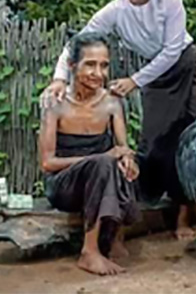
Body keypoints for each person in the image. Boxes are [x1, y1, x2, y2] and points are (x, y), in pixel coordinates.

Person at [40, 0, 196, 239]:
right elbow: (78, 41)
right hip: (154, 76)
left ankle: (186, 217)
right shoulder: (115, 11)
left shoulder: (171, 2)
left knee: (189, 136)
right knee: (154, 142)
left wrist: (134, 81)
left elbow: (171, 51)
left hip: (186, 66)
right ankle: (145, 207)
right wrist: (59, 78)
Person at [39, 33, 140, 276]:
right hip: (65, 186)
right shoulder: (55, 104)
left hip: (101, 183)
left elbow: (123, 149)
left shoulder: (112, 104)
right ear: (72, 67)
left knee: (125, 165)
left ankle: (115, 237)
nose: (98, 73)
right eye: (90, 65)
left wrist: (128, 160)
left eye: (104, 65)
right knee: (105, 162)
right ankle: (90, 251)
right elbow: (47, 163)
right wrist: (100, 159)